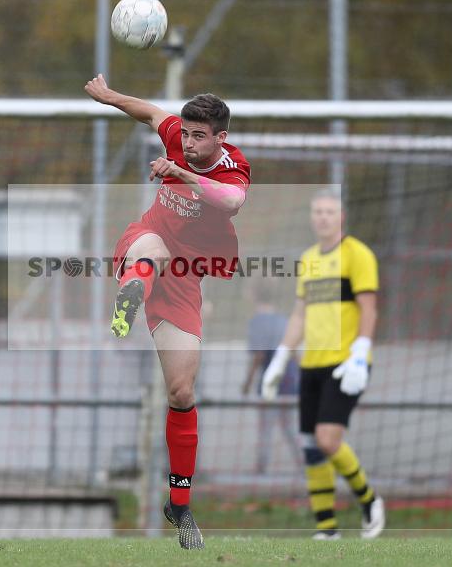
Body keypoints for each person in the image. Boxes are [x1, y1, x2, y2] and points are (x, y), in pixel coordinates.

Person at [85, 73, 250, 550]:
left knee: (181, 391)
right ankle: (129, 296)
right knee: (152, 248)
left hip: (184, 278)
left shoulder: (233, 167)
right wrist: (109, 96)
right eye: (187, 134)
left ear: (220, 138)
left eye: (200, 136)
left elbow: (232, 200)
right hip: (146, 243)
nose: (189, 142)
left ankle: (179, 504)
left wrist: (183, 173)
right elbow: (151, 113)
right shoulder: (177, 134)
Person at [262, 188, 386, 540]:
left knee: (328, 440)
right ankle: (327, 529)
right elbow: (300, 315)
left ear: (341, 216)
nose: (323, 217)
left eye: (329, 212)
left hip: (345, 364)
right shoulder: (309, 259)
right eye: (317, 212)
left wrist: (360, 352)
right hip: (311, 365)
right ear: (311, 217)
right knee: (310, 445)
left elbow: (369, 308)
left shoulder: (358, 254)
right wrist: (280, 358)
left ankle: (369, 500)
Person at [242, 279, 301, 473]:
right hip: (289, 380)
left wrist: (247, 382)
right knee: (289, 426)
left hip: (272, 382)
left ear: (254, 294)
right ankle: (304, 465)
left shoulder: (257, 322)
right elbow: (293, 351)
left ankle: (261, 469)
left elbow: (259, 356)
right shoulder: (282, 319)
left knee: (266, 427)